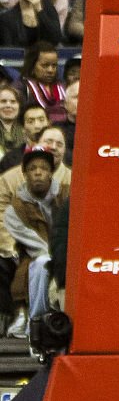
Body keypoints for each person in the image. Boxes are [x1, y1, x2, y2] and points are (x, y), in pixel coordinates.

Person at [4, 144, 65, 337]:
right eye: (32, 169)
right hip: (35, 256)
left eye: (43, 168)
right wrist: (56, 257)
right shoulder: (14, 209)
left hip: (68, 252)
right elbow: (35, 244)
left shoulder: (67, 195)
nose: (38, 173)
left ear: (51, 173)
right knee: (41, 263)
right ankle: (36, 320)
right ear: (25, 174)